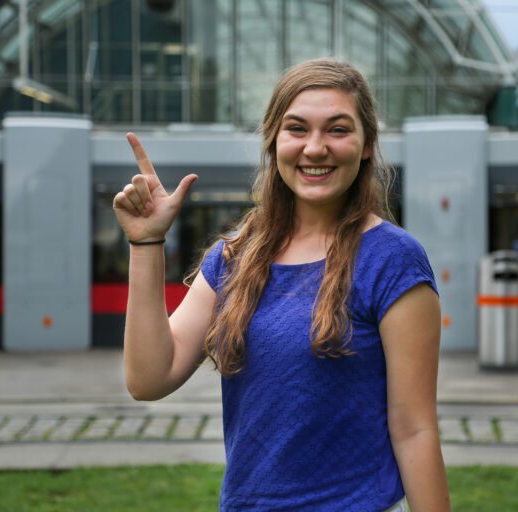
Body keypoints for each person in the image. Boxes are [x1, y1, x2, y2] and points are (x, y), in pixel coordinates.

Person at [113, 59, 449, 511]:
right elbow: (149, 379)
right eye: (297, 129)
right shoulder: (234, 258)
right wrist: (147, 242)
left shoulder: (393, 260)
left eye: (337, 129)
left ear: (366, 144)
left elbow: (414, 429)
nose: (315, 148)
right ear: (274, 141)